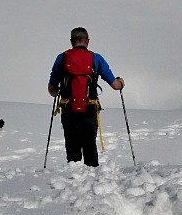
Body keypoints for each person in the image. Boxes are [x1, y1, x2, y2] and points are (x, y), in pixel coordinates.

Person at [47, 27, 124, 167]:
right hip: (90, 108)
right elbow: (115, 85)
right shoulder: (96, 58)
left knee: (71, 143)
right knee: (89, 143)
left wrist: (56, 90)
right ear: (87, 41)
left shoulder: (62, 57)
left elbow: (52, 88)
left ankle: (74, 175)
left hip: (68, 107)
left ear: (71, 41)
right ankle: (92, 174)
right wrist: (121, 83)